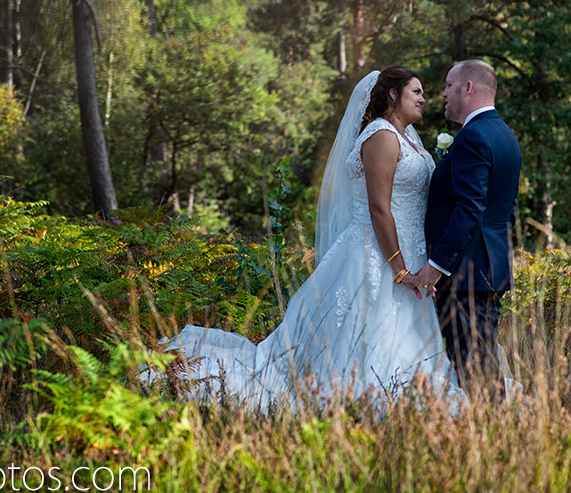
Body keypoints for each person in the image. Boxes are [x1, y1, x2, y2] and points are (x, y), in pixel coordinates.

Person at [151, 68, 457, 411]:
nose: (423, 98)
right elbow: (378, 209)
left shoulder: (409, 138)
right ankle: (362, 396)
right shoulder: (381, 136)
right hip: (380, 256)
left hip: (411, 252)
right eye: (415, 91)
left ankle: (410, 393)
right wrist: (400, 271)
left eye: (423, 92)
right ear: (392, 96)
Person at [411, 59, 522, 401]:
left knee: (472, 364)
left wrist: (437, 265)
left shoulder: (473, 137)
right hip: (491, 267)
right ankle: (503, 423)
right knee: (481, 358)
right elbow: (507, 209)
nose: (442, 93)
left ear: (468, 88)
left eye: (448, 85)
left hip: (466, 273)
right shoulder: (504, 134)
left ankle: (497, 430)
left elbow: (470, 209)